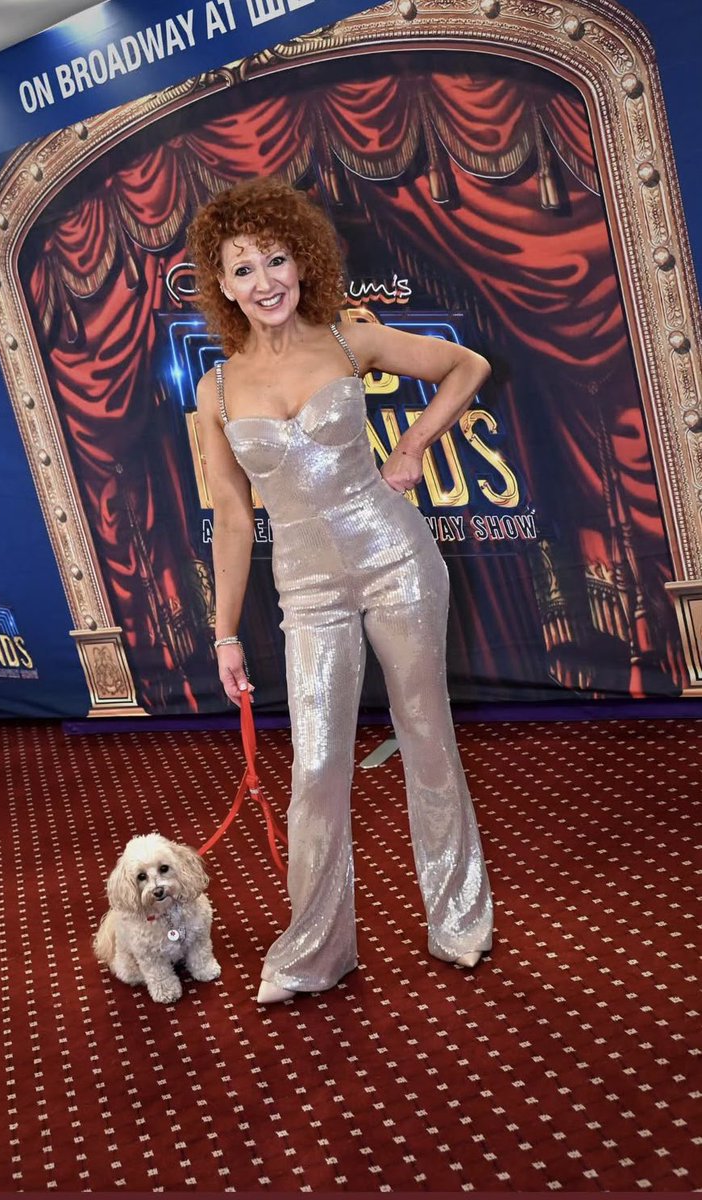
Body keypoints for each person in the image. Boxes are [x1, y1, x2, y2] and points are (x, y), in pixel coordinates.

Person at [188, 176, 493, 1004]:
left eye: (276, 259)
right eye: (243, 268)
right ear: (219, 284)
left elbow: (468, 365)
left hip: (396, 560)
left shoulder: (350, 338)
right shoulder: (214, 395)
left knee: (426, 735)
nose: (265, 280)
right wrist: (223, 633)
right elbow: (233, 523)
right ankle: (317, 950)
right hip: (308, 590)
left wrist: (418, 446)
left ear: (302, 261)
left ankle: (459, 920)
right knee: (317, 766)